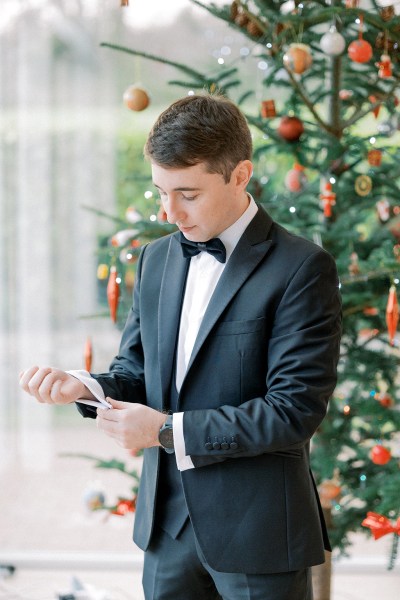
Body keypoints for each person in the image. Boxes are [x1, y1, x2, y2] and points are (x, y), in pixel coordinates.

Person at [20, 93, 342, 600]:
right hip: (165, 532)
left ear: (240, 175)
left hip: (257, 536)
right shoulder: (155, 259)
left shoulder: (302, 269)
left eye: (188, 193)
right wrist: (82, 387)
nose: (171, 212)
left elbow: (293, 411)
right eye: (160, 192)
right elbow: (137, 370)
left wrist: (168, 431)